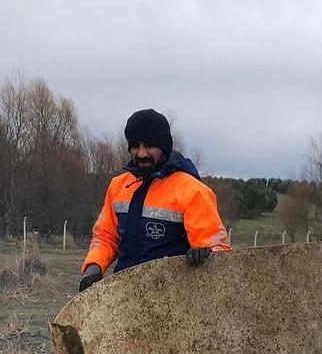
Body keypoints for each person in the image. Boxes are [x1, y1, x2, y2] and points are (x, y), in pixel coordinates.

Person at [79, 108, 230, 292]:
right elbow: (106, 236)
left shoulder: (192, 191)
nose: (141, 153)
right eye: (135, 146)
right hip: (123, 294)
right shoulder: (118, 186)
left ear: (164, 148)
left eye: (149, 145)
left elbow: (218, 251)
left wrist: (206, 254)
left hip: (174, 298)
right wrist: (94, 266)